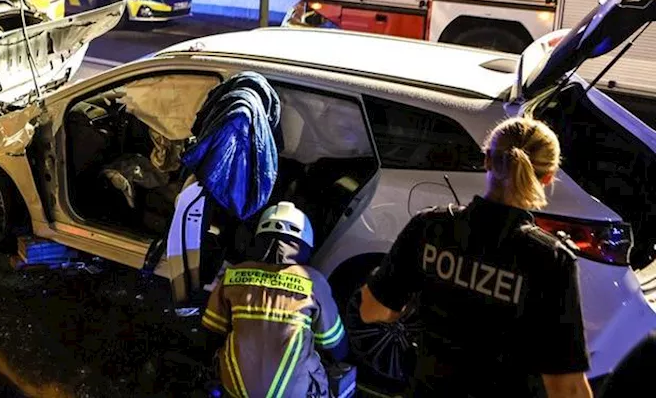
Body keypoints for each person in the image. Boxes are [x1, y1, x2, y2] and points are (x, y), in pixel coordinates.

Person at [359, 117, 591, 398]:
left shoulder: (430, 226)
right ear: (548, 177)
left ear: (486, 161)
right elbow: (567, 389)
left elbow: (373, 311)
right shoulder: (549, 259)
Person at [201, 201, 348, 398]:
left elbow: (212, 333)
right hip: (294, 393)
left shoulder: (233, 275)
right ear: (304, 244)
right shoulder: (313, 281)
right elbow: (334, 345)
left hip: (234, 388)